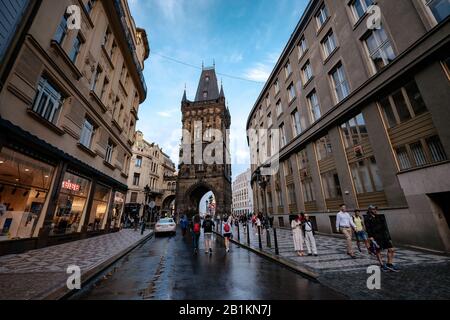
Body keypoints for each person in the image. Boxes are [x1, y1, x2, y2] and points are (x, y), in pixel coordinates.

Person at [364, 205, 399, 272]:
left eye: (376, 209)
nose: (375, 210)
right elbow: (368, 228)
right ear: (370, 210)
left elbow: (385, 227)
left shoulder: (380, 216)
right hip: (375, 236)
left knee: (391, 249)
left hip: (383, 235)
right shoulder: (367, 218)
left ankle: (389, 263)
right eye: (373, 209)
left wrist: (388, 237)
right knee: (378, 250)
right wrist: (370, 237)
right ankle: (382, 265)